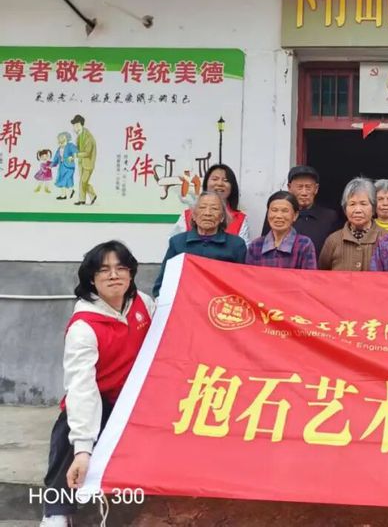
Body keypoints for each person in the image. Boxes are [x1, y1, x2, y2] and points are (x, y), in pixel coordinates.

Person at [40, 241, 155, 527]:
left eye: (121, 268)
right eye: (104, 270)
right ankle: (57, 512)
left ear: (131, 273)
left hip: (138, 398)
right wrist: (83, 448)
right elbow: (82, 389)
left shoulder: (143, 303)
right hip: (101, 400)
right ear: (92, 278)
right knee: (69, 436)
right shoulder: (84, 327)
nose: (114, 275)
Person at [153, 191, 247, 297]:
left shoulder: (236, 245)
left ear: (222, 217)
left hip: (219, 302)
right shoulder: (177, 242)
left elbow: (242, 284)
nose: (207, 213)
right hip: (185, 301)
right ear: (194, 215)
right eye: (202, 208)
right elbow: (163, 283)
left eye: (214, 209)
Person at [265, 165, 338, 259]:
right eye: (299, 187)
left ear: (316, 189)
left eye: (308, 187)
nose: (304, 193)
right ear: (289, 187)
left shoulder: (329, 217)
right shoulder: (277, 215)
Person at [170, 163, 251, 243]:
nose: (219, 183)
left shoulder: (240, 219)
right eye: (215, 179)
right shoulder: (188, 215)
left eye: (225, 180)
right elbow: (174, 245)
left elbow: (243, 250)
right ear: (206, 183)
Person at [320, 177, 387, 271]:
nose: (358, 210)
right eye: (352, 204)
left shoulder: (387, 239)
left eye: (363, 204)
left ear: (373, 208)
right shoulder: (333, 240)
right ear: (345, 209)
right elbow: (322, 274)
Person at [245, 191, 316, 269]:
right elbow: (248, 275)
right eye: (274, 210)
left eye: (285, 211)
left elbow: (309, 275)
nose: (278, 216)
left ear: (295, 215)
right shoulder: (255, 245)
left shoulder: (304, 245)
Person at [71, 114, 97, 206]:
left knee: (83, 182)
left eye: (75, 125)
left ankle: (93, 195)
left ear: (79, 125)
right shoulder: (79, 136)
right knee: (82, 182)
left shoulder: (88, 137)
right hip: (81, 163)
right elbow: (77, 149)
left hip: (88, 163)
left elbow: (87, 153)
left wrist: (76, 155)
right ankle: (82, 200)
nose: (74, 128)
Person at [52, 132, 77, 200]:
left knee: (65, 179)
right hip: (62, 167)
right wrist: (51, 165)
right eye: (59, 137)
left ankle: (67, 193)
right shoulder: (59, 148)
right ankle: (65, 194)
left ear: (66, 138)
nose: (60, 138)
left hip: (69, 166)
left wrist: (72, 158)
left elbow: (75, 152)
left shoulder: (70, 145)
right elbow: (56, 158)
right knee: (64, 180)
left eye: (62, 137)